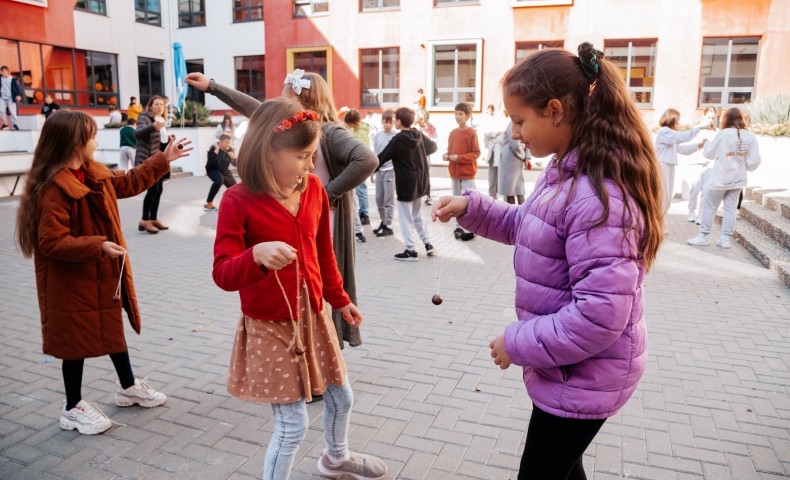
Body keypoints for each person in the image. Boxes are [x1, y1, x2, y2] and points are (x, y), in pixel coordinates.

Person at [432, 42, 664, 480]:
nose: (515, 132)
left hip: (587, 374)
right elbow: (532, 226)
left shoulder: (599, 196)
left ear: (555, 110)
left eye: (520, 120)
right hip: (571, 367)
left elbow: (600, 313)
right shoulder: (567, 171)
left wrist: (517, 342)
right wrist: (473, 208)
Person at [212, 98, 388, 480]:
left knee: (342, 397)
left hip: (314, 314)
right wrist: (255, 255)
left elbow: (324, 254)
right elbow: (223, 273)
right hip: (270, 325)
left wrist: (340, 300)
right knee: (293, 425)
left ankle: (335, 459)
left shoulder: (312, 190)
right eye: (303, 156)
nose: (311, 166)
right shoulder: (237, 201)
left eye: (314, 156)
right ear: (267, 152)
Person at [15, 110, 192, 435]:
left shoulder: (89, 172)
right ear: (75, 144)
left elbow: (126, 183)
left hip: (96, 276)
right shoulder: (55, 189)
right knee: (74, 344)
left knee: (111, 329)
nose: (96, 142)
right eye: (92, 137)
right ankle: (72, 408)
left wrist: (163, 158)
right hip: (71, 282)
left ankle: (127, 387)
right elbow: (52, 242)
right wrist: (99, 246)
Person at [185, 70, 377, 349]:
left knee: (314, 277)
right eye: (302, 156)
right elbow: (259, 111)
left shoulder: (328, 136)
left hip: (317, 214)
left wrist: (326, 192)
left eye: (285, 93)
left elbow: (366, 159)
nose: (310, 164)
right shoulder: (242, 197)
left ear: (299, 97)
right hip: (273, 316)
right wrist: (213, 87)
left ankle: (327, 346)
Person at [687, 108, 761, 249]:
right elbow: (752, 163)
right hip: (738, 179)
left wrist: (707, 143)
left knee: (709, 207)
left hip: (720, 178)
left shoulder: (723, 134)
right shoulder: (750, 136)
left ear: (726, 119)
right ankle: (725, 239)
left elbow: (709, 154)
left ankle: (704, 236)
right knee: (731, 209)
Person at [378, 107, 437, 261]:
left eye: (395, 118)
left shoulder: (398, 139)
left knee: (405, 218)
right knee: (417, 216)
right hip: (420, 182)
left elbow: (382, 157)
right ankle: (428, 244)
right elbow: (433, 147)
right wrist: (417, 154)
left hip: (406, 184)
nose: (394, 121)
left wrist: (365, 167)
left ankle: (411, 250)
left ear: (399, 121)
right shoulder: (418, 134)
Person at [655, 108, 707, 220]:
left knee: (667, 196)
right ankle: (657, 225)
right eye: (677, 120)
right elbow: (679, 137)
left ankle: (660, 223)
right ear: (671, 120)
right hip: (662, 165)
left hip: (668, 165)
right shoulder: (664, 132)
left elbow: (680, 149)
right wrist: (696, 129)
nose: (678, 123)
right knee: (662, 196)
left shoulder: (670, 134)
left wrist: (697, 146)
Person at [443, 102, 481, 241]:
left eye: (460, 114)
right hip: (454, 173)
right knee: (455, 200)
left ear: (467, 115)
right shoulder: (453, 133)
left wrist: (459, 158)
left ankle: (473, 228)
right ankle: (458, 226)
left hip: (467, 173)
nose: (457, 116)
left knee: (470, 201)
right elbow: (449, 150)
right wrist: (446, 156)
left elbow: (476, 153)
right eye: (456, 113)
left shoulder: (471, 132)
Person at [135, 96, 171, 234]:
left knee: (159, 189)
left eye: (162, 104)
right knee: (153, 190)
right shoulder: (145, 117)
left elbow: (160, 142)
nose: (159, 106)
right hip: (148, 159)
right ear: (150, 106)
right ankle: (144, 220)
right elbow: (137, 133)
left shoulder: (161, 120)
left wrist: (170, 139)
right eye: (156, 104)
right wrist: (152, 127)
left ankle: (153, 219)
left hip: (159, 160)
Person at [687, 106, 719, 222]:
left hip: (709, 163)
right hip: (696, 161)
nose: (710, 120)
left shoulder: (716, 132)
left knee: (706, 191)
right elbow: (692, 144)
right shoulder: (696, 129)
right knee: (694, 189)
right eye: (709, 117)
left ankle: (701, 215)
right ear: (704, 116)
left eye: (713, 118)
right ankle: (691, 212)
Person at [344, 108, 372, 236]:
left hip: (359, 164)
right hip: (359, 163)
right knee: (361, 190)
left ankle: (364, 213)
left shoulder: (359, 131)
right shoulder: (362, 128)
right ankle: (362, 212)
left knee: (361, 190)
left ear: (355, 123)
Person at [372, 109, 398, 237]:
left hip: (390, 171)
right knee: (378, 199)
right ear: (382, 122)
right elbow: (375, 154)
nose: (388, 124)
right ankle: (383, 222)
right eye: (385, 122)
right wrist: (372, 172)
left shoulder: (395, 137)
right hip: (379, 171)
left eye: (390, 122)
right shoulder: (378, 136)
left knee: (388, 199)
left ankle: (389, 225)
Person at [497, 121, 530, 205]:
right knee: (515, 189)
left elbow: (521, 142)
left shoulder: (521, 121)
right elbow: (514, 142)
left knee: (512, 190)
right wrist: (525, 156)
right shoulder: (515, 122)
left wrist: (525, 156)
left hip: (513, 158)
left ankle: (514, 214)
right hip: (512, 158)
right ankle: (520, 213)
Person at [204, 133, 237, 211]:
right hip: (212, 169)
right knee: (219, 180)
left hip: (224, 170)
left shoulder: (231, 150)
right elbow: (210, 162)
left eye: (229, 142)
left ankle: (236, 204)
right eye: (226, 142)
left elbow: (235, 164)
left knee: (235, 187)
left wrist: (234, 158)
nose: (228, 144)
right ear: (221, 141)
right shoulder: (213, 148)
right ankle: (209, 203)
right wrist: (216, 150)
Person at [482, 104, 506, 199]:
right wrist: (496, 133)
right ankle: (492, 199)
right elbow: (486, 133)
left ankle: (505, 201)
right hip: (493, 152)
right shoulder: (491, 119)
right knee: (492, 178)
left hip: (505, 152)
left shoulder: (508, 119)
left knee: (503, 179)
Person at [417, 111, 438, 205]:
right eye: (422, 119)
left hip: (425, 154)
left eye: (426, 119)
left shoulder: (431, 127)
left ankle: (428, 196)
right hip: (415, 155)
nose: (424, 121)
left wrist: (431, 140)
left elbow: (436, 138)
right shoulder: (415, 128)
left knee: (426, 175)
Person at [0, 65, 23, 130]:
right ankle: (5, 124)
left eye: (3, 72)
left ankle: (14, 124)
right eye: (1, 72)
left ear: (7, 71)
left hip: (10, 98)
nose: (2, 73)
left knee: (12, 111)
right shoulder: (0, 78)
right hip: (2, 97)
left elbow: (18, 88)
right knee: (1, 110)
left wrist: (18, 95)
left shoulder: (13, 79)